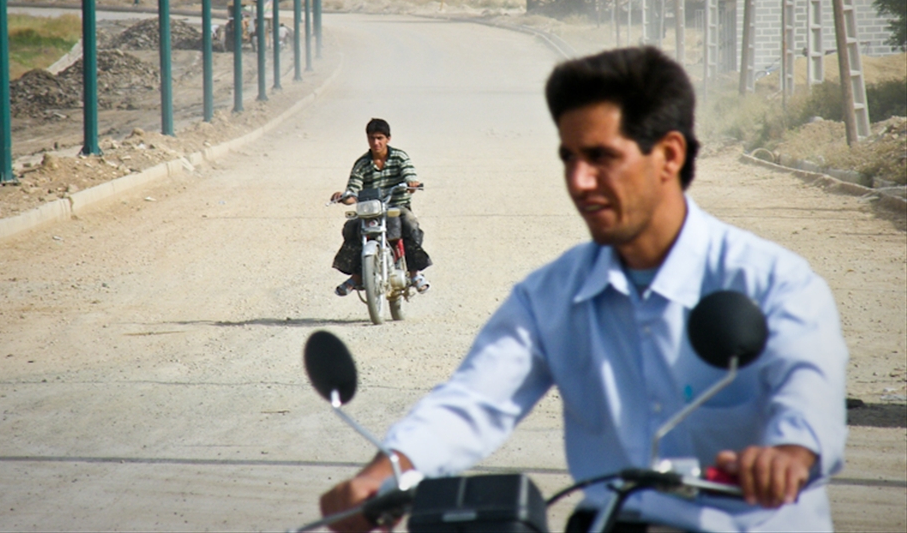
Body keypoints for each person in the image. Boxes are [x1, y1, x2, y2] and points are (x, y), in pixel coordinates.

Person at [319, 48, 847, 532]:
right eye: (570, 158)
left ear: (669, 155)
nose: (579, 181)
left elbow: (808, 393)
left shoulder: (775, 283)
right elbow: (473, 401)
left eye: (601, 157)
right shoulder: (551, 295)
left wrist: (788, 454)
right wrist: (383, 473)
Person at [330, 118, 432, 297]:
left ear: (388, 139)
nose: (376, 143)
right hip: (370, 209)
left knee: (410, 225)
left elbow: (409, 174)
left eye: (379, 138)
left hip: (396, 207)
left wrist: (412, 183)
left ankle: (414, 273)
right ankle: (357, 276)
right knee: (351, 228)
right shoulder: (361, 163)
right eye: (371, 138)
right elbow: (353, 190)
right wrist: (343, 197)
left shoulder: (400, 157)